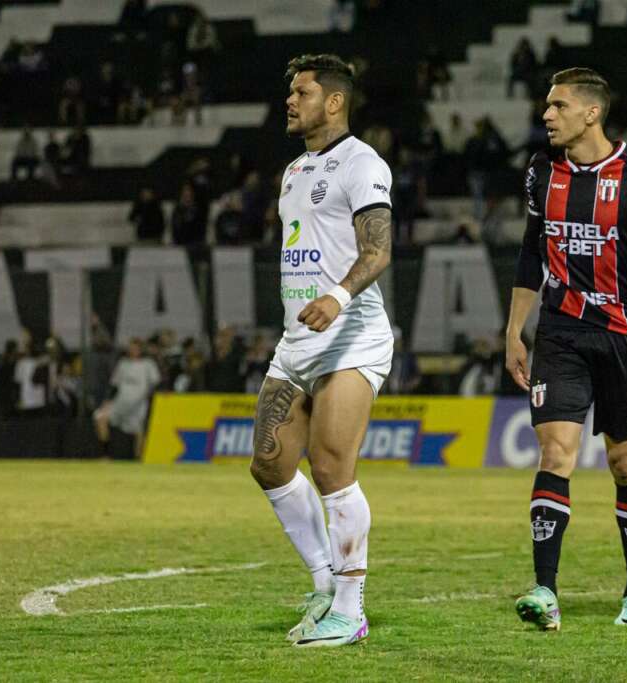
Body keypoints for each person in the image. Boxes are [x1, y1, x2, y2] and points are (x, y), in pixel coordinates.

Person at [505, 68, 627, 631]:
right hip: (559, 334)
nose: (546, 115)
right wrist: (515, 330)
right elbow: (532, 250)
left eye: (557, 106)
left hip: (624, 336)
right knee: (556, 452)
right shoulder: (540, 172)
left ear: (591, 113)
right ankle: (545, 590)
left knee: (624, 461)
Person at [250, 54, 394, 648]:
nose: (291, 100)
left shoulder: (362, 163)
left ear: (333, 101)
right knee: (269, 461)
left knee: (333, 467)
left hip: (352, 337)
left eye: (302, 92)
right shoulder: (293, 170)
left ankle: (350, 608)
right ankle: (322, 579)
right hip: (297, 343)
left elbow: (378, 249)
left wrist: (336, 297)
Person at [93, 337, 160, 458]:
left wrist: (148, 399)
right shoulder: (123, 363)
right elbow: (114, 385)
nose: (133, 350)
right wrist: (107, 401)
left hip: (139, 404)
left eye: (135, 348)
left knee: (138, 430)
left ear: (140, 349)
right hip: (121, 402)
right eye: (131, 348)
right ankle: (105, 454)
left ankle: (139, 458)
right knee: (100, 417)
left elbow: (156, 383)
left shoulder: (148, 364)